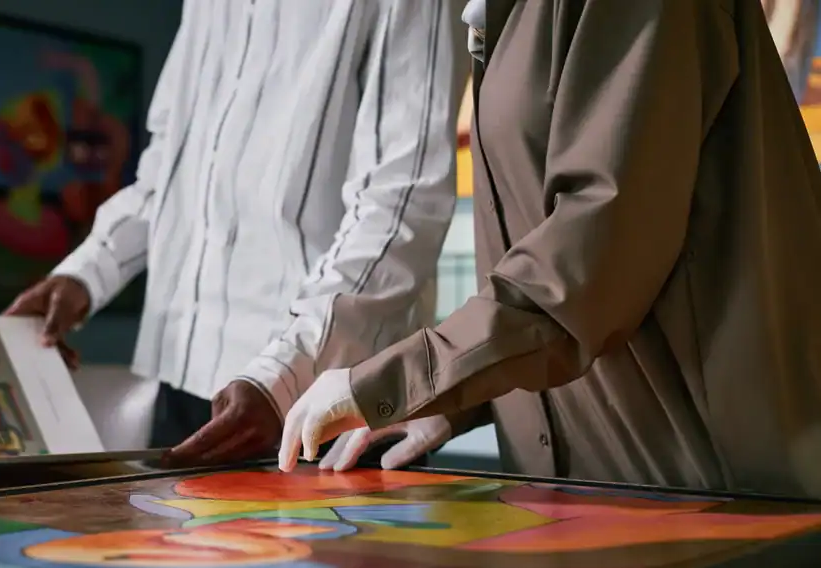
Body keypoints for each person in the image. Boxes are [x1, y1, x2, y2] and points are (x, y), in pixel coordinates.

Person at [278, 0, 821, 498]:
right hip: (594, 500)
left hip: (710, 497)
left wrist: (400, 381)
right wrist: (453, 399)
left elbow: (593, 265)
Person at [5, 1, 469, 465]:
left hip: (322, 405)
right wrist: (85, 274)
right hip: (184, 382)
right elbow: (168, 169)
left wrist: (284, 375)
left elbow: (403, 199)